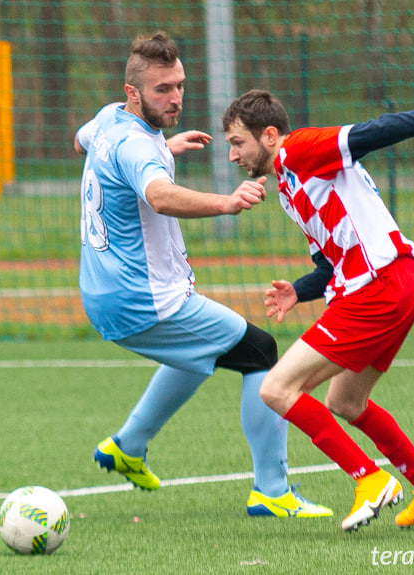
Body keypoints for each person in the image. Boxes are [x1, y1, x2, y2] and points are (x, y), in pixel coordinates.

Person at [221, 79, 414, 530]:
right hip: (401, 281)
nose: (233, 155)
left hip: (380, 286)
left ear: (268, 136)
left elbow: (374, 131)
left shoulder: (298, 150)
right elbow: (330, 264)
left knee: (275, 389)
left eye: (237, 142)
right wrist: (299, 290)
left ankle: (369, 479)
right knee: (347, 400)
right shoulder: (288, 188)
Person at [74, 31, 332, 518]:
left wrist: (162, 146)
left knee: (198, 355)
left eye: (179, 85)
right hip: (144, 298)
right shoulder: (137, 147)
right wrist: (227, 202)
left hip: (102, 291)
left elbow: (83, 142)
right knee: (260, 353)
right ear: (133, 92)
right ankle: (272, 491)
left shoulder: (109, 120)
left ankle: (126, 445)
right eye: (161, 90)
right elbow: (159, 196)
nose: (175, 98)